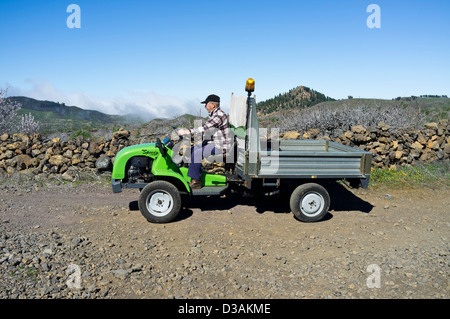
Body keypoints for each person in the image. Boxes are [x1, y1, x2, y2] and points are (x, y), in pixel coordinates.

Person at [178, 94, 232, 189]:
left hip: (221, 146)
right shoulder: (214, 114)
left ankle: (196, 182)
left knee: (197, 154)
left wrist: (189, 132)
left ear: (213, 105)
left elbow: (206, 127)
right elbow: (206, 127)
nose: (205, 106)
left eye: (206, 104)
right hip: (215, 143)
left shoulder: (219, 115)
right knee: (192, 149)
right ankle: (195, 173)